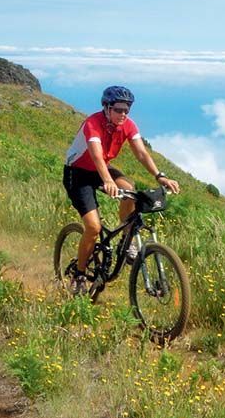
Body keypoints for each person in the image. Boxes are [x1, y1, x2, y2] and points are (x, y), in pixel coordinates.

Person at [63, 85, 179, 277]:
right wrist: (108, 181)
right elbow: (97, 156)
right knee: (93, 227)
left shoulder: (128, 125)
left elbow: (141, 153)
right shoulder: (93, 123)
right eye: (118, 109)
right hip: (78, 173)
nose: (123, 114)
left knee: (129, 190)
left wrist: (160, 176)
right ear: (107, 108)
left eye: (127, 110)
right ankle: (79, 274)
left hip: (101, 170)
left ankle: (126, 241)